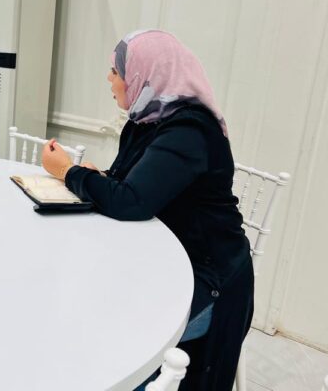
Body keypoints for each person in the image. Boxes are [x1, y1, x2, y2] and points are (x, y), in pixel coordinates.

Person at [42, 30, 253, 390]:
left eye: (116, 71)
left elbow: (131, 202)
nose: (109, 79)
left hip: (207, 278)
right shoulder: (144, 123)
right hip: (163, 261)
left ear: (143, 74)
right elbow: (136, 186)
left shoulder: (188, 130)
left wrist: (68, 172)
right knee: (87, 312)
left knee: (119, 343)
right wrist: (102, 178)